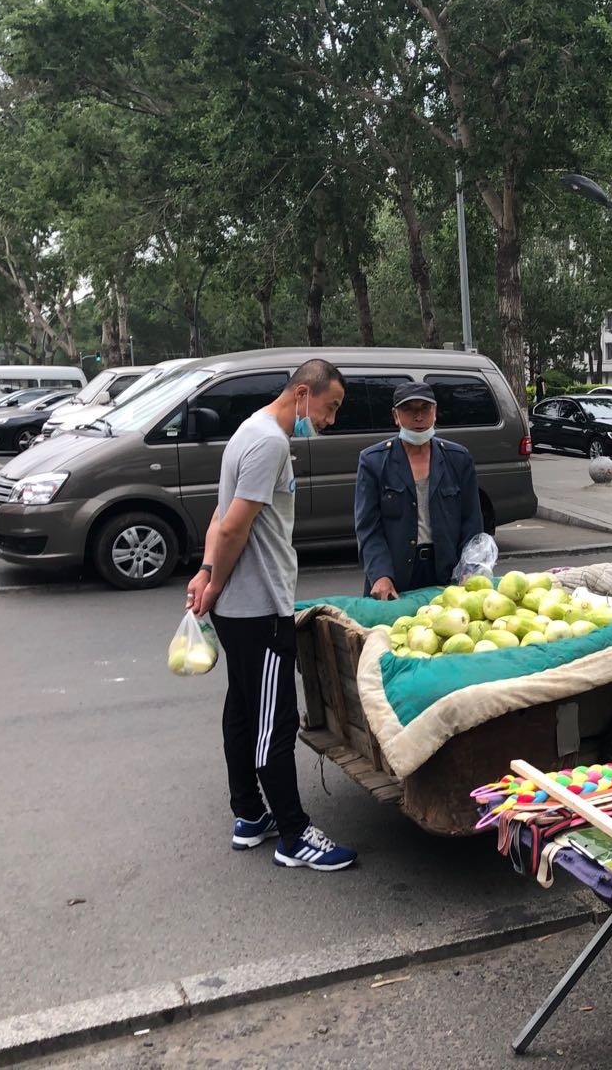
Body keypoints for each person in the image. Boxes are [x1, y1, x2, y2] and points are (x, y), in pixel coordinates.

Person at [186, 359, 358, 872]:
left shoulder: (250, 430)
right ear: (303, 393)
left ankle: (249, 816)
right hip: (259, 607)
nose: (329, 421)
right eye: (329, 408)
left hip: (245, 606)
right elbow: (235, 525)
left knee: (241, 710)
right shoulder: (270, 442)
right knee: (273, 722)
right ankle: (293, 833)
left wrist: (204, 570)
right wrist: (213, 584)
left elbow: (221, 513)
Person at [354, 381, 483, 600]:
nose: (418, 417)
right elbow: (368, 528)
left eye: (425, 408)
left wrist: (469, 570)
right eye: (409, 409)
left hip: (446, 574)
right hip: (395, 577)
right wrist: (380, 575)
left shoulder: (458, 458)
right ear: (396, 416)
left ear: (435, 412)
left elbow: (472, 522)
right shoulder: (373, 462)